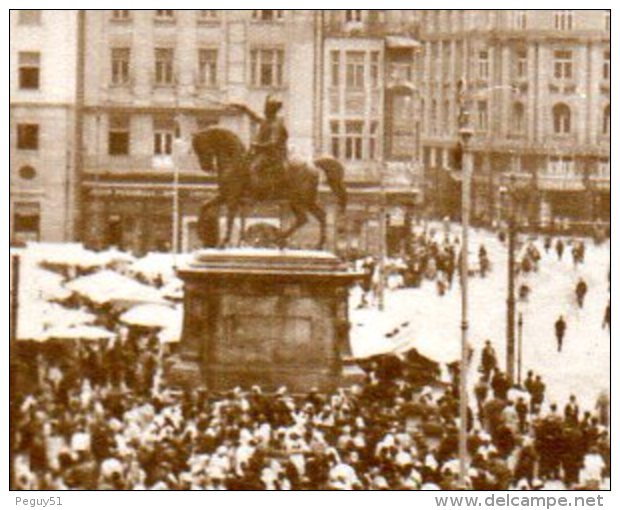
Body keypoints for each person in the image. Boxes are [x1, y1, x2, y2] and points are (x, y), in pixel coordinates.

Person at [230, 95, 289, 195]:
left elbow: (273, 143)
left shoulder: (276, 123)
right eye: (265, 108)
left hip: (273, 154)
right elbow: (254, 115)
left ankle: (258, 193)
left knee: (254, 167)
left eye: (267, 108)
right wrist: (242, 107)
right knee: (241, 162)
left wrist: (257, 145)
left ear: (272, 110)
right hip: (262, 152)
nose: (265, 110)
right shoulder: (266, 120)